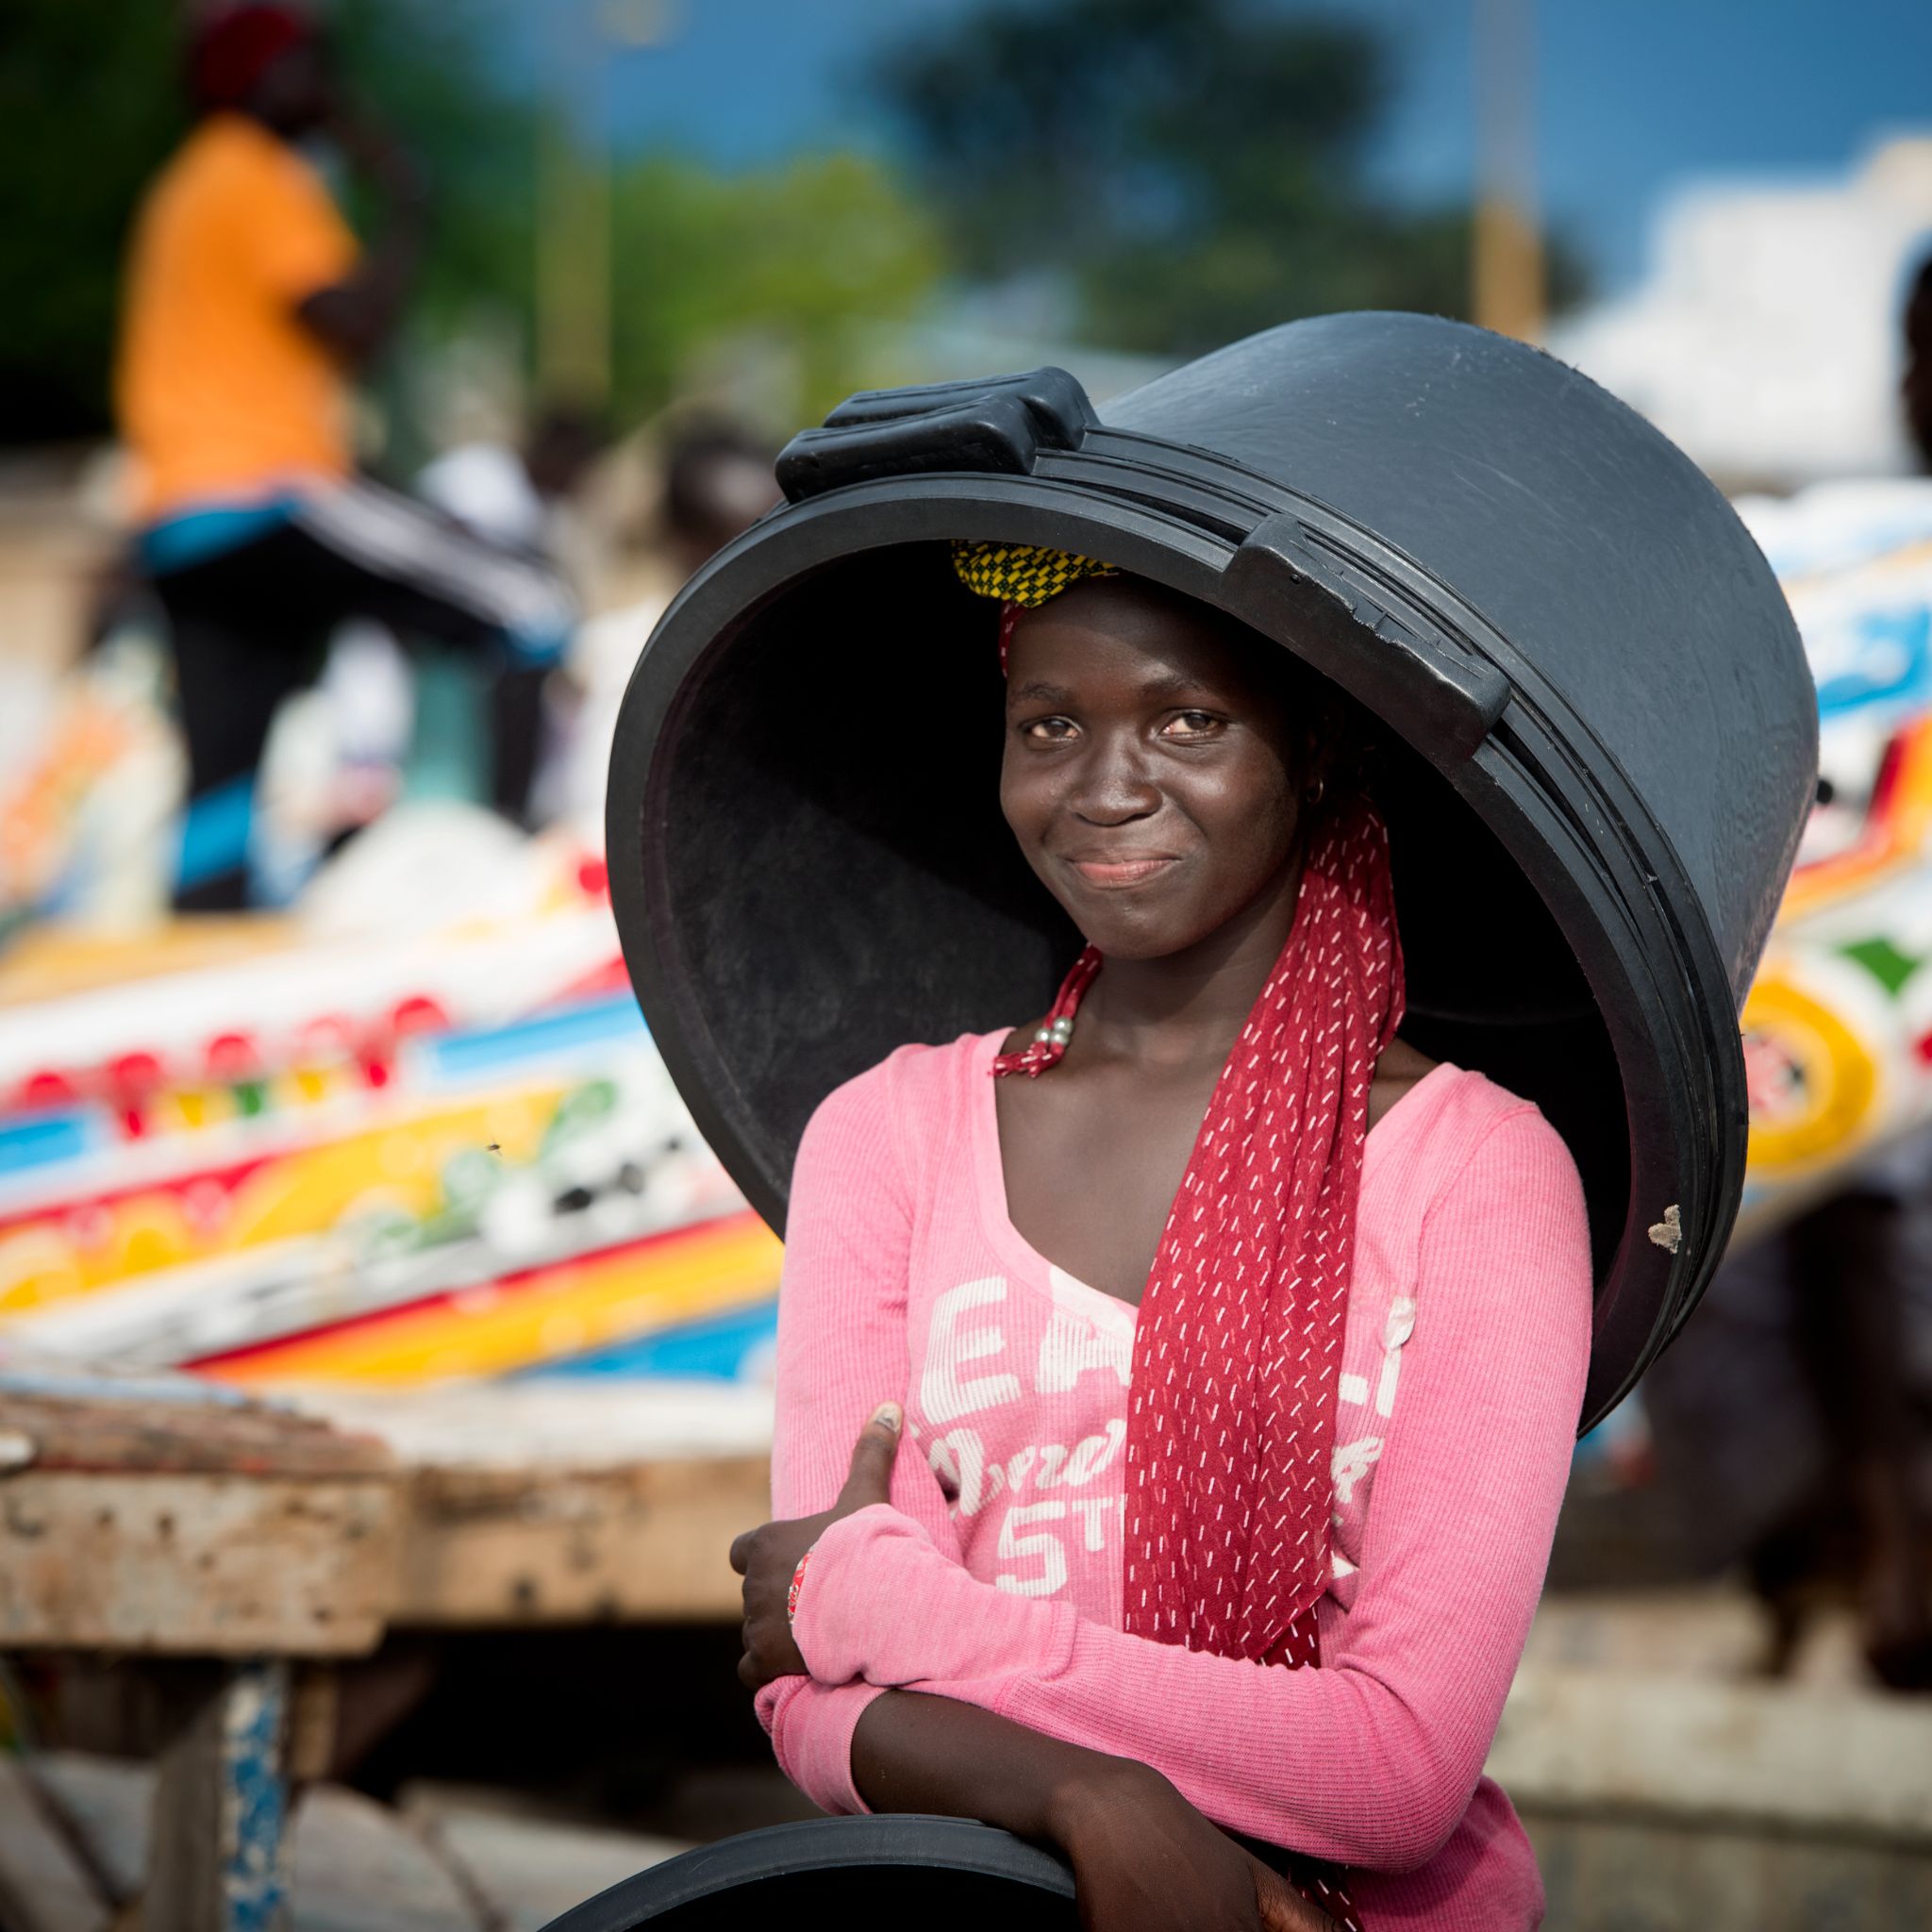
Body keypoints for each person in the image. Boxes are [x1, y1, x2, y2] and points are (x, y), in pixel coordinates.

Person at [728, 548, 1593, 1929]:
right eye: (1052, 725)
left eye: (1189, 720)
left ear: (1317, 751)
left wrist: (910, 1618)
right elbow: (807, 1696)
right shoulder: (887, 1135)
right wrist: (1100, 1805)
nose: (1108, 786)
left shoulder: (1478, 1173)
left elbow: (1397, 1772)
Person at [115, 3, 573, 909]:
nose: (329, 87)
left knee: (224, 769)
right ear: (260, 79)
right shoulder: (258, 176)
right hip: (266, 490)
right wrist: (405, 198)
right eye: (311, 66)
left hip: (176, 518)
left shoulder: (180, 189)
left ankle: (206, 940)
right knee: (530, 601)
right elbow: (353, 326)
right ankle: (505, 882)